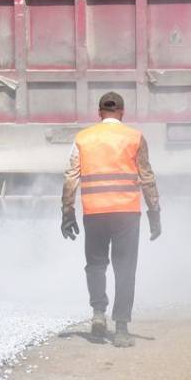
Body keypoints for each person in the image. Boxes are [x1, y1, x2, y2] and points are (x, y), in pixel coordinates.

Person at [61, 92, 161, 347]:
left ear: (99, 113)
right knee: (125, 270)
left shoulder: (83, 139)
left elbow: (71, 176)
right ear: (122, 112)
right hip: (127, 214)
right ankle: (122, 329)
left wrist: (67, 211)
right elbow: (147, 177)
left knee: (95, 266)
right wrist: (154, 213)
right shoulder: (135, 138)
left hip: (94, 213)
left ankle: (97, 314)